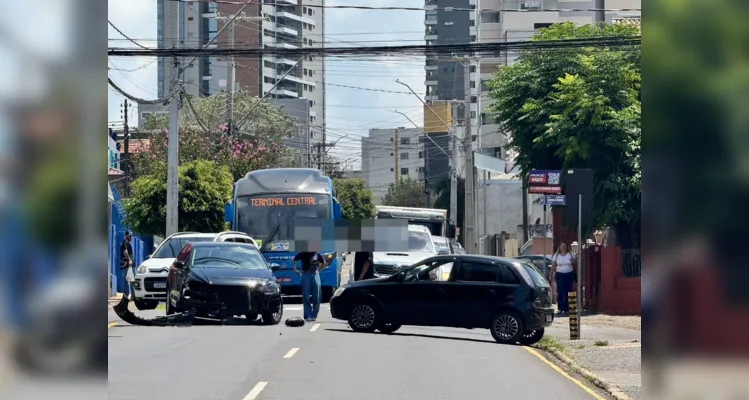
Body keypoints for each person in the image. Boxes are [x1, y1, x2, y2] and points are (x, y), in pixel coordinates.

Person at [292, 251, 327, 321]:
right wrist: (295, 270)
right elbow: (294, 259)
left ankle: (314, 315)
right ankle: (307, 315)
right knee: (306, 294)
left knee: (317, 295)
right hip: (306, 274)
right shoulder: (303, 253)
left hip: (315, 273)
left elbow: (324, 262)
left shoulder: (317, 254)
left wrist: (319, 270)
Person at [550, 241, 576, 316]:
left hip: (569, 274)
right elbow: (553, 266)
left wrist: (573, 261)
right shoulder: (556, 255)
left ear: (566, 247)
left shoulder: (570, 254)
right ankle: (560, 308)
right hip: (560, 274)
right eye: (562, 246)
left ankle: (567, 308)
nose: (563, 247)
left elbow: (575, 263)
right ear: (560, 247)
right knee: (560, 290)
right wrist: (551, 275)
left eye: (564, 246)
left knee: (568, 290)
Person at [120, 231, 134, 298]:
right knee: (130, 280)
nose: (130, 237)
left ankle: (128, 296)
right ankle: (129, 296)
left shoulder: (126, 242)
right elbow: (125, 251)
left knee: (129, 280)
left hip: (126, 264)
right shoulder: (125, 241)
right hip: (127, 264)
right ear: (126, 235)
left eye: (131, 235)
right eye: (129, 235)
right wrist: (130, 260)